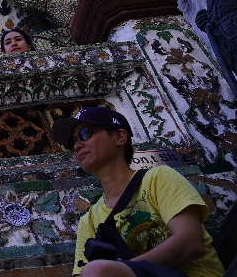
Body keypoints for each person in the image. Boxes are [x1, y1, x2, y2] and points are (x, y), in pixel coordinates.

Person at [51, 106, 223, 277]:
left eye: (84, 134)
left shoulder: (157, 178)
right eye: (73, 141)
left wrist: (120, 270)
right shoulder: (89, 221)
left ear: (119, 136)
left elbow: (191, 242)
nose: (77, 146)